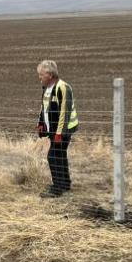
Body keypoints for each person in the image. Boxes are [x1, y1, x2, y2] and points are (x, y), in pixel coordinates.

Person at [35, 60, 78, 197]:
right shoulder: (46, 89)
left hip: (63, 131)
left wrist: (60, 133)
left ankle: (57, 188)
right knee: (59, 155)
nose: (39, 77)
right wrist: (41, 124)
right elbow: (44, 109)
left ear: (49, 74)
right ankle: (65, 184)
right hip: (53, 131)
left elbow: (64, 112)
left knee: (52, 156)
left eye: (41, 74)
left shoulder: (63, 87)